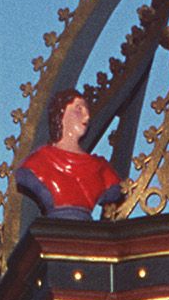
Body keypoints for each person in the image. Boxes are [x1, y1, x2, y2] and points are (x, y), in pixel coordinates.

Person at [17, 87, 125, 220]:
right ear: (61, 112)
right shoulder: (37, 163)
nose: (87, 116)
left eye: (87, 110)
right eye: (79, 108)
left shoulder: (101, 168)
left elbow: (116, 190)